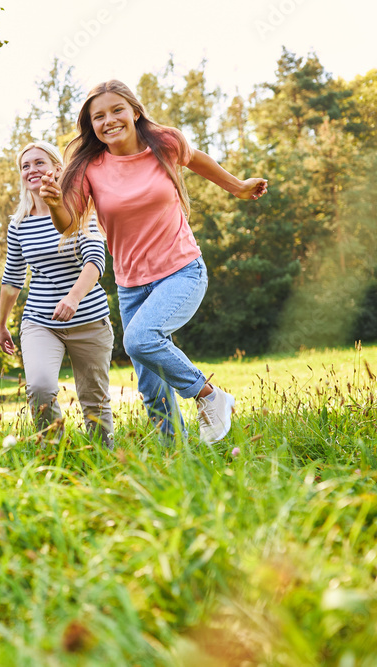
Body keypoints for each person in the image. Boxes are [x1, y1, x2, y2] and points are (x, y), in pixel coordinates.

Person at [40, 80, 268, 444]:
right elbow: (68, 223)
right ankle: (177, 459)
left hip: (181, 270)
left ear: (134, 111)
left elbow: (196, 159)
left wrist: (237, 186)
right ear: (91, 125)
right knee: (152, 387)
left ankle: (209, 397)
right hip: (131, 285)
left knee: (141, 340)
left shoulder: (165, 142)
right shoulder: (88, 167)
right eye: (98, 116)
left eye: (117, 110)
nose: (109, 120)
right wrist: (54, 203)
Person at [0, 141, 115, 447]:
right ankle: (54, 454)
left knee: (95, 403)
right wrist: (1, 324)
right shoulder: (19, 224)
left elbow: (95, 260)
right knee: (40, 388)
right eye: (25, 166)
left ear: (58, 170)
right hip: (41, 320)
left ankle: (103, 460)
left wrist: (73, 297)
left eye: (39, 163)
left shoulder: (81, 211)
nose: (32, 170)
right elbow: (12, 278)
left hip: (89, 320)